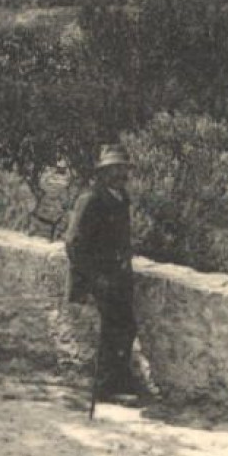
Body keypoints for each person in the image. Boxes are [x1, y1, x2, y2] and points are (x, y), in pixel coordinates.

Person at [65, 144, 148, 405]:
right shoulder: (91, 199)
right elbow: (74, 243)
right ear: (102, 173)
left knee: (124, 328)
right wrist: (93, 278)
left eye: (122, 169)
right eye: (113, 169)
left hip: (119, 276)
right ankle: (107, 386)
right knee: (116, 329)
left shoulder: (121, 197)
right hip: (100, 277)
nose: (119, 174)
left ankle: (117, 382)